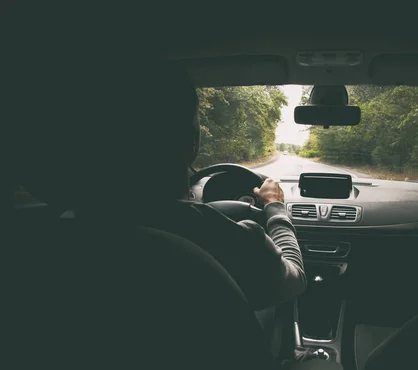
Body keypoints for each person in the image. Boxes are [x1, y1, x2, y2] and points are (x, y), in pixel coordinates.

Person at [19, 58, 306, 316]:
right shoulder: (226, 238)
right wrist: (275, 208)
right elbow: (294, 281)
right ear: (191, 140)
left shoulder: (32, 243)